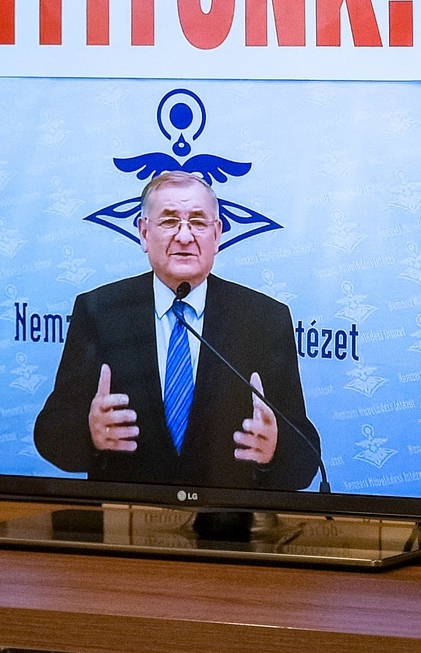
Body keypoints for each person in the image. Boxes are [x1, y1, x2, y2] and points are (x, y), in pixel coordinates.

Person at [34, 171, 319, 490]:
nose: (184, 236)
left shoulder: (264, 319)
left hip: (227, 517)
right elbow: (50, 435)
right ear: (144, 233)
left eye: (198, 222)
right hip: (128, 513)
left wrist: (274, 450)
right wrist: (89, 433)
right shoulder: (99, 311)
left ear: (217, 234)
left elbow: (306, 458)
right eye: (169, 221)